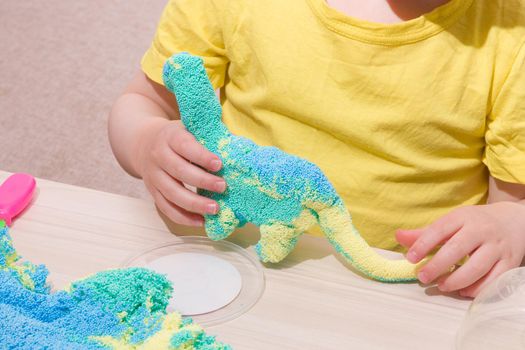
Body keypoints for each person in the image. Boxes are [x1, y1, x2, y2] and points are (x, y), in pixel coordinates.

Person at [108, 0, 525, 297]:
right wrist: (145, 143)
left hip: (403, 286)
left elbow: (509, 205)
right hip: (228, 256)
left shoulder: (512, 31)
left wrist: (510, 223)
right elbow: (141, 103)